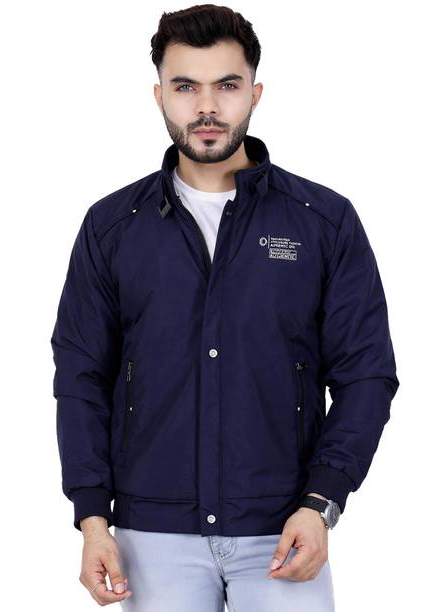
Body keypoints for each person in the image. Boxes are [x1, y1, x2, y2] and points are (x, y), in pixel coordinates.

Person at [50, 4, 399, 611]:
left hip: (285, 530)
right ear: (159, 95)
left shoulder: (323, 222)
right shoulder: (112, 227)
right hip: (152, 536)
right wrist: (92, 518)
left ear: (255, 94)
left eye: (227, 86)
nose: (207, 108)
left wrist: (321, 501)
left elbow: (366, 374)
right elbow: (81, 376)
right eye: (186, 87)